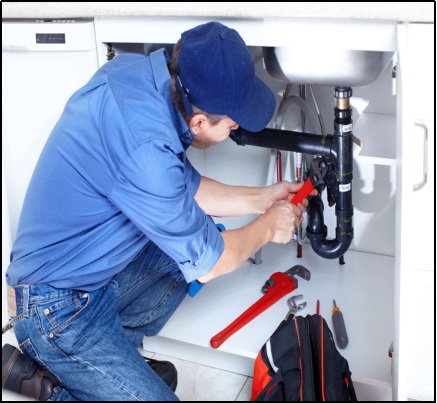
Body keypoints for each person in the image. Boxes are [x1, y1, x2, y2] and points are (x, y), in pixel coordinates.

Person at [2, 21, 313, 401]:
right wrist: (267, 227)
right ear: (199, 121)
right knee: (203, 254)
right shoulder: (146, 150)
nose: (235, 129)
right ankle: (53, 386)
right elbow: (212, 263)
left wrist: (262, 198)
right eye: (231, 125)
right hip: (54, 311)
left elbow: (184, 188)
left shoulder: (140, 75)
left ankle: (111, 360)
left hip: (91, 275)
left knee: (195, 241)